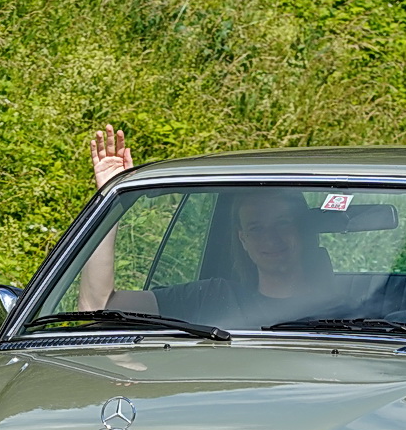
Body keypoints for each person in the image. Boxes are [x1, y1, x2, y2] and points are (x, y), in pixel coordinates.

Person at [76, 125, 338, 326]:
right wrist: (111, 198)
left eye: (282, 224)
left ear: (303, 230)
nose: (270, 238)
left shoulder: (348, 309)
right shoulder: (211, 298)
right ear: (243, 239)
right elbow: (97, 308)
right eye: (256, 228)